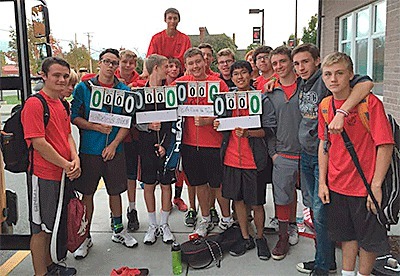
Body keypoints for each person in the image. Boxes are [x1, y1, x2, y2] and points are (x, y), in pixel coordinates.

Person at [292, 43, 373, 276]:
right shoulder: (302, 82)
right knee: (313, 209)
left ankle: (322, 266)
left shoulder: (326, 79)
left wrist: (341, 112)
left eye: (305, 61)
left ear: (317, 61)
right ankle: (325, 259)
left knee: (321, 212)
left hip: (324, 156)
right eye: (297, 63)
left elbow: (366, 83)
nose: (301, 67)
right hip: (306, 154)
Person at [318, 52, 394, 276]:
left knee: (369, 242)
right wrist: (323, 182)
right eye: (328, 74)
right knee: (346, 237)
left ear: (351, 75)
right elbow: (324, 146)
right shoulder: (325, 105)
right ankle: (347, 273)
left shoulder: (369, 103)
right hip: (337, 185)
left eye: (339, 73)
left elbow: (385, 144)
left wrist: (376, 185)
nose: (333, 79)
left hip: (365, 186)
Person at [71, 48, 138, 259]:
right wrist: (95, 127)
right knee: (87, 193)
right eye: (107, 61)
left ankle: (118, 229)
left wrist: (114, 144)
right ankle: (86, 236)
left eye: (114, 63)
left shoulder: (124, 89)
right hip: (89, 150)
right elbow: (74, 117)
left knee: (115, 191)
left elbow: (127, 122)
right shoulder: (84, 88)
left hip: (114, 150)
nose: (110, 66)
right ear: (99, 63)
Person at [22, 57, 81, 276]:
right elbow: (38, 143)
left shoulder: (62, 103)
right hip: (44, 174)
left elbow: (67, 134)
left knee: (52, 225)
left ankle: (50, 266)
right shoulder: (35, 104)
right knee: (40, 230)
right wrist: (67, 164)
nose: (62, 80)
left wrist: (75, 159)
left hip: (62, 174)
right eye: (56, 75)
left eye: (65, 76)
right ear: (43, 75)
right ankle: (41, 273)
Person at [214, 60, 276, 260]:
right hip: (231, 159)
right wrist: (217, 122)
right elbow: (221, 121)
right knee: (238, 201)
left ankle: (260, 238)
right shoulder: (226, 98)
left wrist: (249, 133)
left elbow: (269, 129)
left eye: (243, 73)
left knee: (257, 204)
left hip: (253, 161)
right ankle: (245, 236)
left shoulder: (261, 99)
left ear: (251, 74)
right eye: (235, 74)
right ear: (231, 78)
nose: (239, 77)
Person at [172, 47, 233, 236]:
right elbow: (160, 93)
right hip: (190, 145)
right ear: (186, 66)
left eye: (198, 61)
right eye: (191, 63)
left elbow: (227, 114)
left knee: (218, 184)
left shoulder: (218, 83)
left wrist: (210, 120)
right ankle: (204, 219)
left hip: (213, 144)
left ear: (205, 62)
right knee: (198, 184)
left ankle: (226, 218)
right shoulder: (180, 83)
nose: (195, 66)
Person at [266, 46, 302, 260]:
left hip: (309, 154)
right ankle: (282, 236)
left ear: (292, 63)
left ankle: (295, 225)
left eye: (282, 62)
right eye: (275, 63)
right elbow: (269, 126)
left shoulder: (307, 87)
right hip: (283, 154)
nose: (279, 66)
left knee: (313, 198)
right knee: (282, 196)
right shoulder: (270, 93)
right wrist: (273, 153)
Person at [139, 54, 175, 245]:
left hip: (165, 145)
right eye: (165, 67)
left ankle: (164, 224)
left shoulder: (169, 92)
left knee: (166, 184)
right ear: (155, 69)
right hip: (146, 146)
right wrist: (148, 126)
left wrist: (166, 145)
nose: (169, 70)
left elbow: (173, 120)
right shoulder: (139, 93)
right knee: (149, 185)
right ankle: (152, 225)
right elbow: (133, 120)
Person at [114, 49, 143, 232]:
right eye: (124, 62)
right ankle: (114, 213)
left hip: (132, 136)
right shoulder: (111, 79)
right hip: (112, 136)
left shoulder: (139, 81)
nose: (127, 65)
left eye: (131, 63)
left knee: (131, 175)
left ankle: (132, 209)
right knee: (114, 178)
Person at [142, 7, 191, 78]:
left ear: (178, 20)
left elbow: (189, 57)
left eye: (175, 18)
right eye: (170, 18)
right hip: (161, 75)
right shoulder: (156, 38)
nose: (172, 21)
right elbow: (149, 58)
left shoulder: (185, 39)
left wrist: (188, 69)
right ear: (165, 20)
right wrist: (145, 71)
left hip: (180, 75)